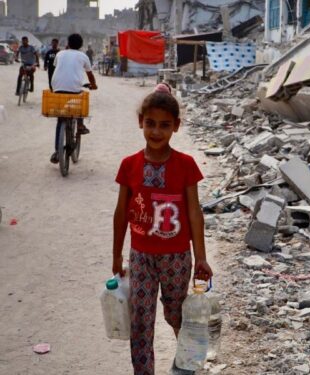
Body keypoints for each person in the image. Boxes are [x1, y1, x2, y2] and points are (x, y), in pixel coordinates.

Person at [112, 83, 213, 375]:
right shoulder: (129, 165)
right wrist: (117, 254)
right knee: (140, 320)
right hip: (141, 256)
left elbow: (194, 213)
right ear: (140, 123)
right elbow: (121, 213)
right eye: (151, 124)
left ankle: (186, 364)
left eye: (165, 125)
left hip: (177, 258)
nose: (156, 132)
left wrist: (201, 257)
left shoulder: (186, 165)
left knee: (177, 315)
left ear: (176, 127)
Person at [50, 33, 98, 164]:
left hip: (57, 88)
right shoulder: (83, 56)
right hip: (74, 88)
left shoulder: (60, 54)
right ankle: (81, 125)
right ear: (81, 45)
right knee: (81, 97)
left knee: (60, 120)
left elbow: (59, 68)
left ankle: (56, 151)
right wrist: (93, 85)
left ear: (68, 43)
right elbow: (90, 75)